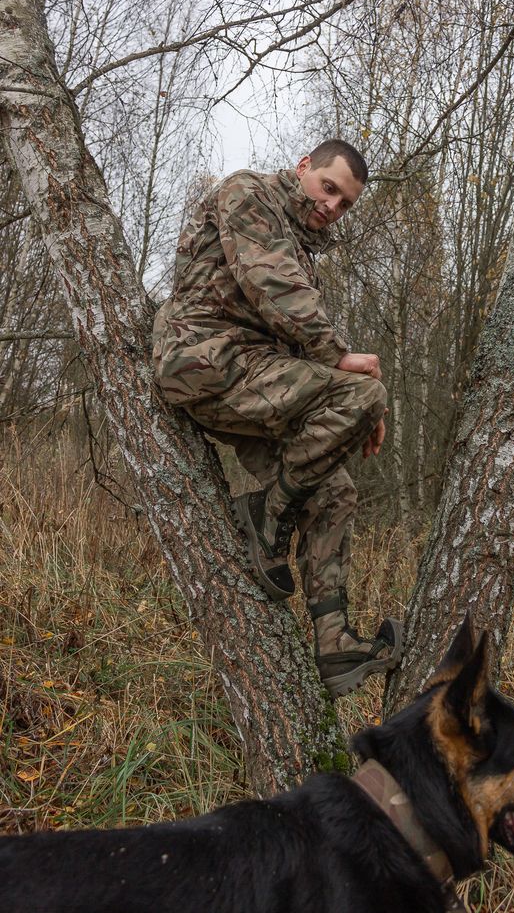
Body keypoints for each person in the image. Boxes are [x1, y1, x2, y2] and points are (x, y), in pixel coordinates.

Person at [152, 139, 403, 698]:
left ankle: (334, 643)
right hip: (204, 359)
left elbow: (287, 321)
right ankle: (266, 516)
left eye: (343, 204)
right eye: (328, 188)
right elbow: (273, 288)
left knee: (335, 492)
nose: (331, 206)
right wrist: (347, 372)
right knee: (365, 397)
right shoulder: (249, 192)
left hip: (251, 378)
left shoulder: (303, 246)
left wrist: (354, 403)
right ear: (303, 168)